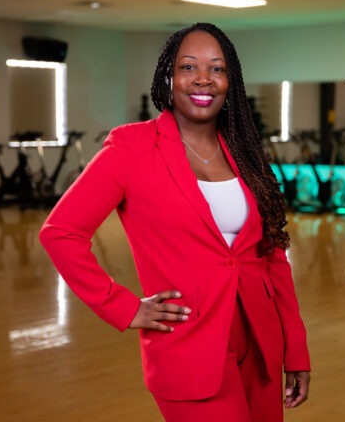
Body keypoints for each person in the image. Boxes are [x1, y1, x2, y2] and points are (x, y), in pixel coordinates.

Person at [39, 22, 311, 422]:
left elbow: (272, 258)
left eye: (217, 69)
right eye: (188, 67)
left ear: (230, 81)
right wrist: (125, 307)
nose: (204, 78)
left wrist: (295, 348)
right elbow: (61, 233)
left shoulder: (246, 152)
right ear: (168, 77)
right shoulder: (131, 147)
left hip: (260, 341)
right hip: (188, 346)